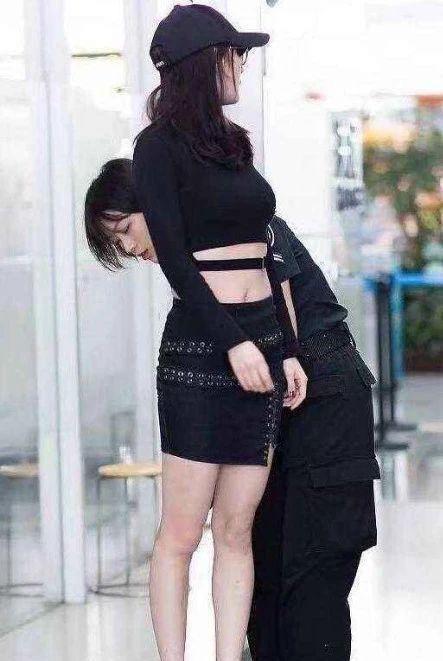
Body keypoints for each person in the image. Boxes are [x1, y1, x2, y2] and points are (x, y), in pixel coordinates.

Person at [84, 5, 307, 660]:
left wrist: (287, 348)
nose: (242, 65)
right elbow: (177, 262)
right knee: (182, 533)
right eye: (236, 55)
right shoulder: (156, 147)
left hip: (263, 343)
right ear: (207, 63)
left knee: (236, 529)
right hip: (202, 351)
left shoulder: (235, 145)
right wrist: (233, 341)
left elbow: (266, 253)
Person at [247, 215, 381, 661]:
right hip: (272, 406)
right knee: (265, 571)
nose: (129, 250)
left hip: (324, 394)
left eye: (125, 231)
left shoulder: (242, 213)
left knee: (315, 572)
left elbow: (280, 307)